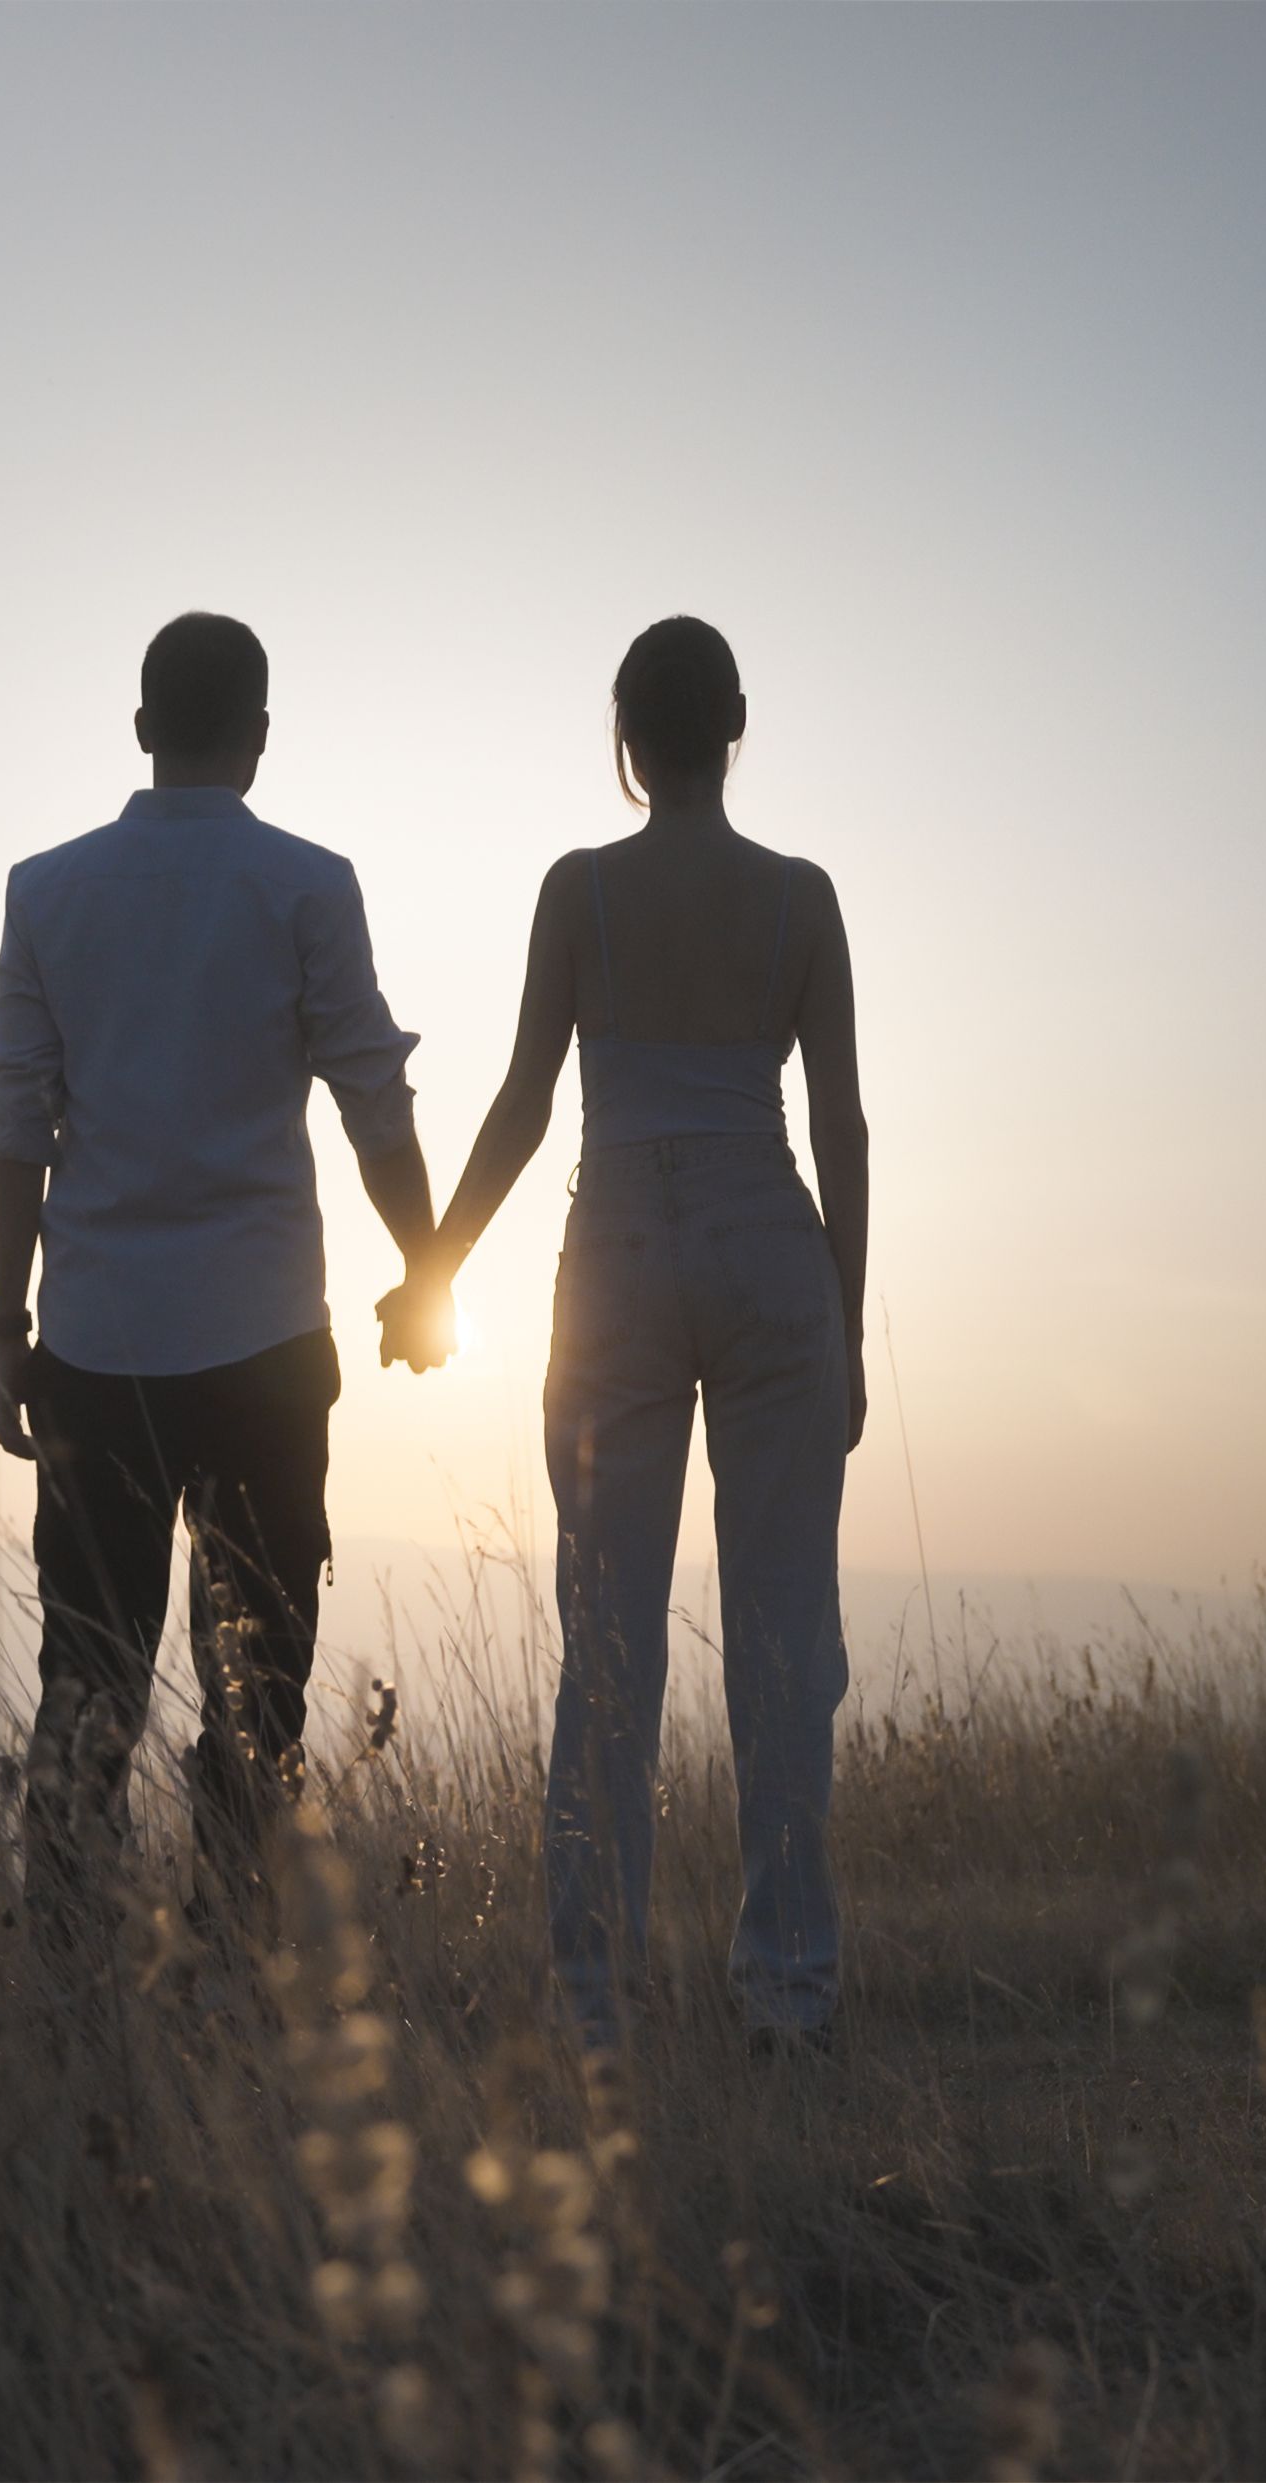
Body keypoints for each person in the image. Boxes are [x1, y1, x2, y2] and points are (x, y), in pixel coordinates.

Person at [387, 616, 867, 2054]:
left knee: (607, 1643)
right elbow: (838, 1122)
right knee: (785, 1640)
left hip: (619, 1254)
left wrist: (435, 1268)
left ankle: (596, 2008)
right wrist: (842, 1315)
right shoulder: (803, 899)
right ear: (736, 728)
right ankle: (788, 1992)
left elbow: (529, 1098)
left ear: (625, 738)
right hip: (771, 1235)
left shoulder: (580, 892)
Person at [0, 611, 439, 1948]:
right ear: (259, 736)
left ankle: (69, 1981)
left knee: (89, 1684)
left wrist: (8, 1321)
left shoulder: (46, 889)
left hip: (99, 1345)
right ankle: (236, 1972)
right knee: (258, 1686)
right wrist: (425, 1266)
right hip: (262, 1349)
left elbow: (18, 1125)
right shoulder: (306, 884)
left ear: (141, 730)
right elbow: (371, 1097)